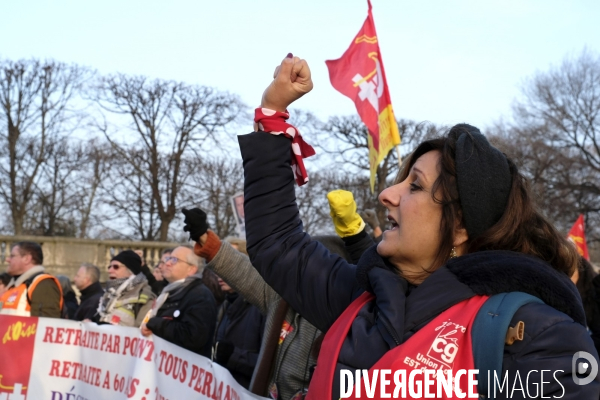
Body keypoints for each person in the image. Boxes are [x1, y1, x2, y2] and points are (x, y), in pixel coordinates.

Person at [236, 55, 600, 399]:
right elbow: (277, 243)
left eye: (415, 185)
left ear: (460, 226)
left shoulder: (539, 338)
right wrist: (272, 114)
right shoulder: (362, 300)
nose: (386, 195)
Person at [183, 207, 372, 399]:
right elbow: (242, 270)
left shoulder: (352, 318)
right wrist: (204, 238)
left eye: (315, 266)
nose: (303, 270)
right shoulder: (281, 298)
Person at [140, 245, 216, 357]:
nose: (168, 263)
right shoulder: (169, 292)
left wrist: (155, 324)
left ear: (191, 269)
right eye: (168, 258)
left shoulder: (200, 296)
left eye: (175, 260)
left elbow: (193, 337)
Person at [213, 267, 266, 389]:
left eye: (228, 267)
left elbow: (270, 364)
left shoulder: (261, 309)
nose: (219, 274)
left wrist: (233, 355)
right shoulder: (226, 304)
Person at [0, 241, 62, 318]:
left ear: (27, 259)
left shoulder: (43, 284)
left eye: (12, 256)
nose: (7, 259)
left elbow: (45, 325)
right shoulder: (15, 285)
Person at [94, 250, 155, 327]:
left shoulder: (144, 296)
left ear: (131, 271)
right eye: (109, 267)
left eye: (116, 267)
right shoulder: (107, 294)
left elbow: (142, 331)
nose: (110, 270)